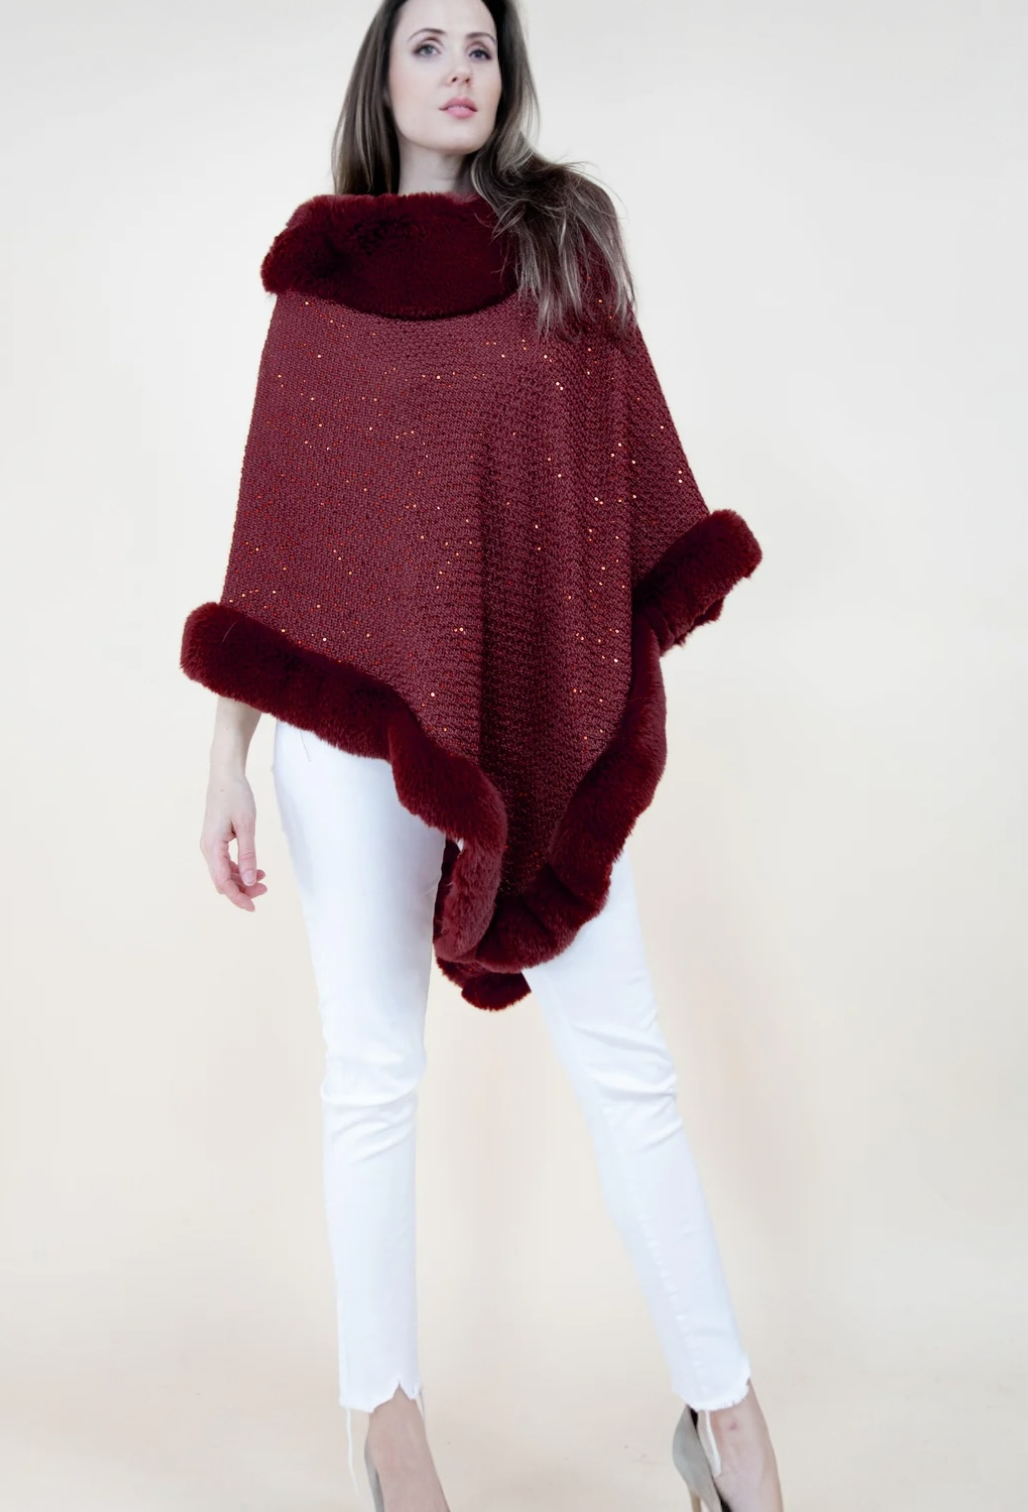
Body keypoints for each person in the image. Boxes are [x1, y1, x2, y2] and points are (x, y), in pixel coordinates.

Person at [183, 2, 787, 1508]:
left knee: (627, 1060)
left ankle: (729, 1422)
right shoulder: (322, 284)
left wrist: (572, 675)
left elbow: (608, 492)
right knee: (373, 1071)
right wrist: (226, 758)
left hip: (536, 715)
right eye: (428, 44)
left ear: (505, 80)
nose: (459, 70)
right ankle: (386, 1428)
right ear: (381, 76)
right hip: (350, 732)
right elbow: (276, 544)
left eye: (481, 47)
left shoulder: (564, 252)